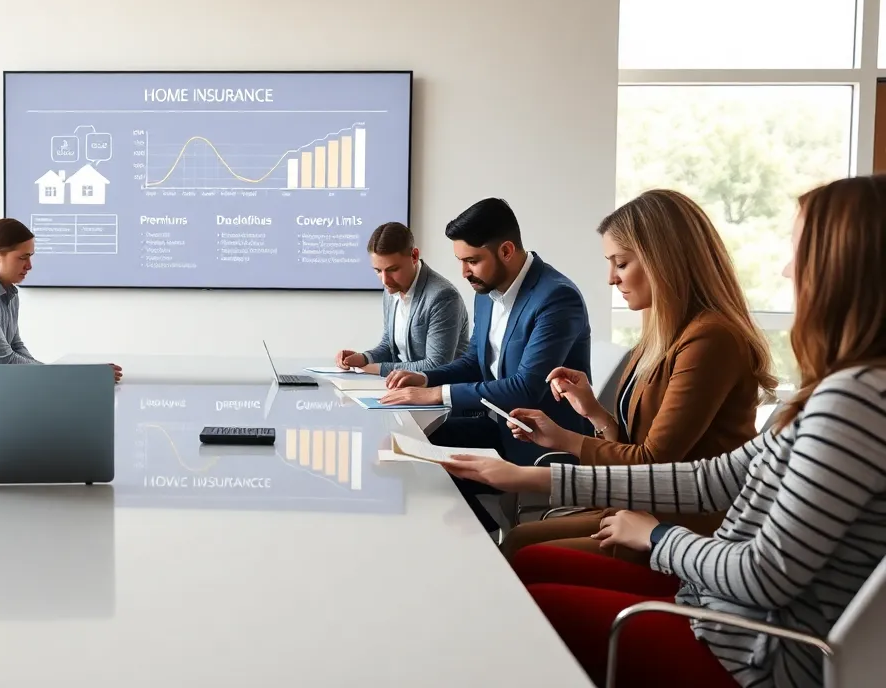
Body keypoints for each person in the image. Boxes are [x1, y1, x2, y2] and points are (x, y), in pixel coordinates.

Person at [440, 174, 886, 688]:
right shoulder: (843, 390)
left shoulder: (851, 401)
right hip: (718, 611)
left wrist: (655, 535)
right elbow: (705, 478)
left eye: (799, 250)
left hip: (746, 651)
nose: (787, 269)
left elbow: (763, 574)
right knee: (528, 577)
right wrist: (528, 479)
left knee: (529, 605)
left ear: (842, 269)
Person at [499, 189, 776, 561]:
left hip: (683, 527)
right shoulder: (661, 333)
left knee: (527, 554)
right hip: (640, 506)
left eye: (621, 262)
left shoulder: (711, 338)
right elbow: (640, 445)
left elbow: (653, 461)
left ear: (664, 261)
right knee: (518, 540)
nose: (611, 278)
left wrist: (566, 439)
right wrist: (594, 412)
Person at [379, 198, 592, 532]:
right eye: (460, 261)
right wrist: (422, 378)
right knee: (402, 445)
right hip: (499, 430)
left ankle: (484, 540)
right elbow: (474, 362)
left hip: (538, 444)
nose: (464, 272)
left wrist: (437, 394)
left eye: (472, 261)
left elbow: (525, 387)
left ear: (506, 251)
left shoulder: (556, 298)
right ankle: (472, 533)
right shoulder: (486, 292)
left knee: (425, 466)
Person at [0, 218, 123, 381]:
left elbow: (16, 347)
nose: (29, 266)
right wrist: (76, 375)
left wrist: (58, 375)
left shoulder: (10, 292)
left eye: (30, 256)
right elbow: (5, 361)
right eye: (23, 257)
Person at [333, 221, 470, 376]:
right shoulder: (392, 289)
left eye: (393, 269)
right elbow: (389, 345)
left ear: (414, 256)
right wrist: (364, 358)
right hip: (404, 386)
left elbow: (436, 365)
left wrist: (378, 369)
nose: (385, 280)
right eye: (378, 270)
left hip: (438, 391)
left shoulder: (443, 297)